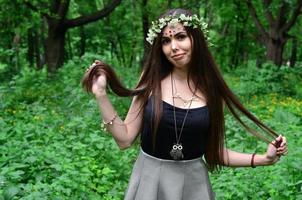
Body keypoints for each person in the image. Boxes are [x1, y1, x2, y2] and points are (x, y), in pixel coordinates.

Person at [82, 8, 288, 200]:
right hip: (150, 181)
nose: (173, 47)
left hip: (193, 185)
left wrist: (263, 159)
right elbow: (124, 139)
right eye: (165, 40)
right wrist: (101, 94)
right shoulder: (151, 79)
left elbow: (214, 153)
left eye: (180, 37)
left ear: (195, 38)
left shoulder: (212, 91)